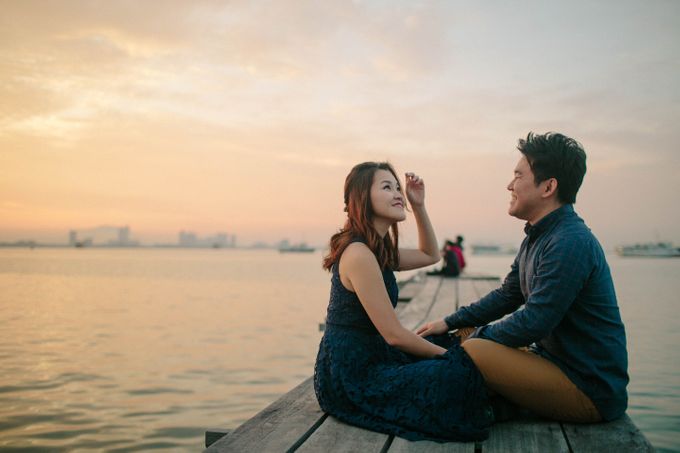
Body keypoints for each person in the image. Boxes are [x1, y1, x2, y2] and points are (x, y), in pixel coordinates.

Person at [417, 132, 629, 423]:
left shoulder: (570, 242)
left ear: (548, 187)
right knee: (462, 335)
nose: (509, 185)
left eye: (518, 176)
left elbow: (534, 322)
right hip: (547, 362)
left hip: (589, 389)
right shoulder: (538, 235)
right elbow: (507, 295)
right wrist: (451, 322)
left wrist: (475, 339)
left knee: (474, 347)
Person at [313, 162, 492, 442]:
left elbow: (430, 255)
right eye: (387, 187)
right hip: (351, 374)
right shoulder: (359, 254)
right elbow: (394, 336)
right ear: (362, 197)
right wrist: (450, 359)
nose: (398, 193)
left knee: (453, 344)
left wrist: (419, 205)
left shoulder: (378, 249)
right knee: (452, 371)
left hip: (376, 355)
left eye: (398, 187)